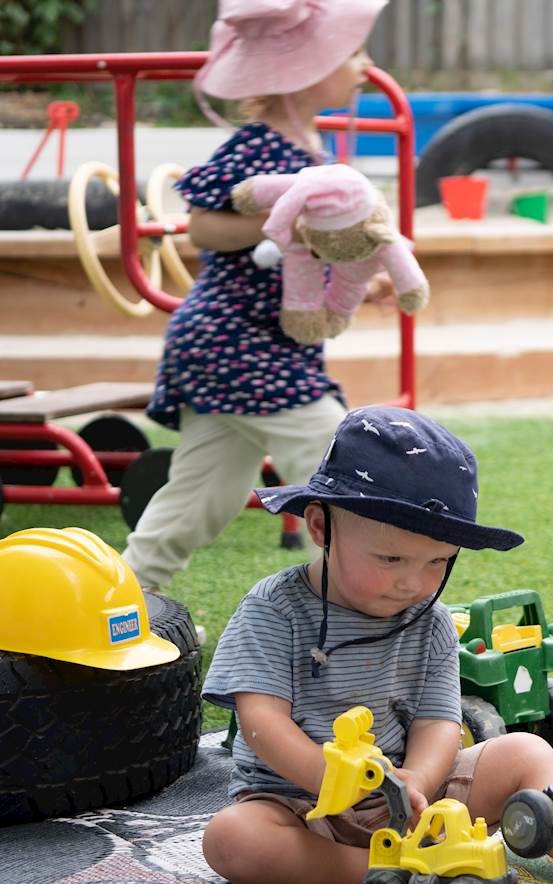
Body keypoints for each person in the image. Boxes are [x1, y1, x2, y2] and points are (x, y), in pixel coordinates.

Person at [200, 406, 553, 884]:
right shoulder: (276, 610)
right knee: (233, 840)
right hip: (299, 805)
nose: (413, 582)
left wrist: (420, 780)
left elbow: (438, 723)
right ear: (322, 527)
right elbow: (261, 720)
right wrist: (331, 777)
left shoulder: (429, 621)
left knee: (527, 751)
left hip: (409, 803)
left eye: (437, 562)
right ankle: (379, 870)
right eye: (391, 559)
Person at [123, 0, 397, 593]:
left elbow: (302, 255)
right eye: (351, 53)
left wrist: (357, 281)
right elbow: (201, 227)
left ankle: (123, 599)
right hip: (237, 343)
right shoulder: (258, 147)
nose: (365, 63)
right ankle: (375, 602)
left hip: (241, 348)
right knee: (339, 464)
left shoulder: (309, 150)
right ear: (300, 71)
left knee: (203, 497)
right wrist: (283, 226)